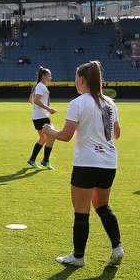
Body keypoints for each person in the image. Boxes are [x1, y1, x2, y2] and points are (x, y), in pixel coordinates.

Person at [42, 61, 123, 268]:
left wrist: (49, 131)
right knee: (102, 205)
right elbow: (116, 134)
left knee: (81, 210)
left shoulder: (78, 103)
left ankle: (78, 256)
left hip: (87, 162)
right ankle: (117, 248)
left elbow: (66, 136)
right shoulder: (110, 104)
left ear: (81, 79)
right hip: (109, 162)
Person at [27, 66, 58, 170]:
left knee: (44, 138)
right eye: (49, 76)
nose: (50, 78)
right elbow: (35, 101)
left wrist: (39, 109)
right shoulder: (41, 87)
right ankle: (45, 160)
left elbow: (31, 100)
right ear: (44, 76)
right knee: (52, 135)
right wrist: (48, 109)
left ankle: (32, 159)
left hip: (38, 117)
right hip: (42, 117)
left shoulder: (38, 86)